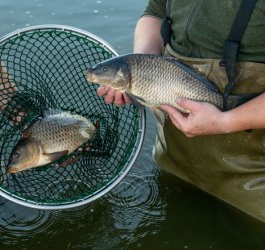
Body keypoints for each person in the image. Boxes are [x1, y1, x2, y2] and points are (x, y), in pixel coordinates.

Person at [97, 0, 265, 222]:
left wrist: (227, 121)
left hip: (250, 186)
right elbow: (155, 13)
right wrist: (139, 71)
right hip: (173, 164)